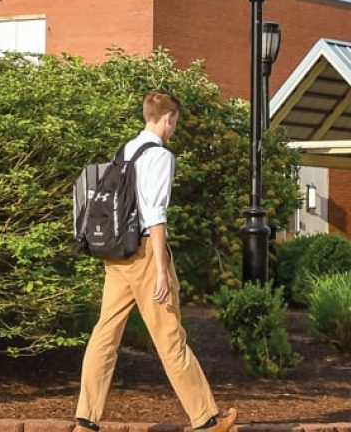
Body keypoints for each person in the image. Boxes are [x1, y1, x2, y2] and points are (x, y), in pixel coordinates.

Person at [73, 91, 235, 432]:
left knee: (105, 333)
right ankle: (205, 420)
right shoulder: (160, 156)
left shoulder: (125, 150)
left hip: (117, 256)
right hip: (145, 252)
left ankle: (86, 420)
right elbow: (154, 215)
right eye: (175, 120)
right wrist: (161, 270)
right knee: (170, 336)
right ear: (169, 117)